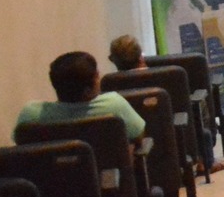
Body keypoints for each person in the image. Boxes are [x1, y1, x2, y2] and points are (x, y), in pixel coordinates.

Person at [106, 35, 224, 173]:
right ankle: (205, 161)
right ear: (141, 57)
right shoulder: (170, 76)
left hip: (137, 148)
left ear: (113, 60)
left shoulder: (109, 85)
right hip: (178, 139)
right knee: (199, 107)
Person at [17, 51, 146, 141]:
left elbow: (21, 144)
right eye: (97, 76)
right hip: (110, 179)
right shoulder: (114, 105)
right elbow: (139, 136)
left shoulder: (31, 115)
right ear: (87, 91)